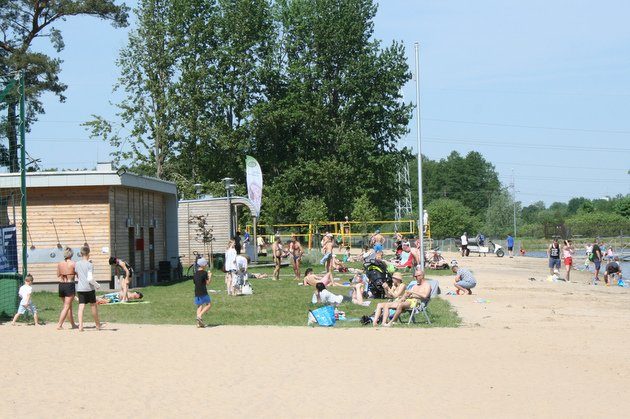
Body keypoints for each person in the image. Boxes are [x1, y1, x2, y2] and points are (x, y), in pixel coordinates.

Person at [75, 245, 101, 331]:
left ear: (81, 254)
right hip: (89, 288)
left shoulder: (77, 264)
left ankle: (80, 326)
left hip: (80, 288)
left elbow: (78, 274)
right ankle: (97, 325)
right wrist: (97, 285)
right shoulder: (90, 264)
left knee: (81, 306)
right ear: (88, 253)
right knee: (93, 306)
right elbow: (90, 278)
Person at [56, 247, 77, 330]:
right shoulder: (73, 263)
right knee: (66, 306)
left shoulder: (60, 263)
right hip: (69, 285)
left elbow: (58, 274)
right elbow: (78, 274)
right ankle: (59, 325)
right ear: (71, 254)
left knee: (68, 306)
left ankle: (73, 324)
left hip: (61, 285)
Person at [193, 258, 212, 328]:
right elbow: (208, 283)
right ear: (203, 265)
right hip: (203, 291)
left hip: (196, 291)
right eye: (206, 264)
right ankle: (199, 315)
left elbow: (195, 282)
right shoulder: (205, 273)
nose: (206, 265)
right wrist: (210, 276)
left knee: (199, 306)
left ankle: (199, 323)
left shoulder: (195, 273)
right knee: (209, 304)